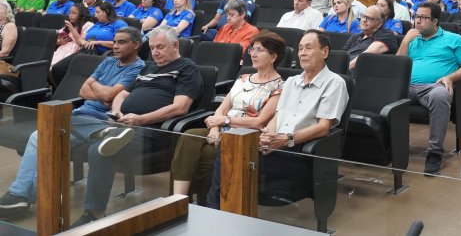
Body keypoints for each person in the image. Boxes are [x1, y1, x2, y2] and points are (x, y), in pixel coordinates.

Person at [0, 27, 146, 219]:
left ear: (136, 45)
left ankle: (20, 194)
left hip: (103, 119)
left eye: (122, 42)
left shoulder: (139, 67)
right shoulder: (109, 61)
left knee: (45, 134)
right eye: (115, 41)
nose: (116, 46)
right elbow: (83, 91)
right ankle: (21, 193)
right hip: (80, 114)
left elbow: (110, 97)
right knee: (40, 136)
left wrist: (96, 86)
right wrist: (101, 92)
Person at [70, 26, 204, 226]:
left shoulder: (186, 68)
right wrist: (116, 112)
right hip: (123, 125)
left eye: (160, 47)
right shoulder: (147, 67)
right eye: (152, 48)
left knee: (98, 150)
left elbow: (180, 107)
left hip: (153, 130)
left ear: (175, 45)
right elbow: (122, 94)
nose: (155, 52)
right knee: (68, 117)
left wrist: (141, 120)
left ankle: (93, 215)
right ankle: (104, 131)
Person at [172, 31, 284, 202]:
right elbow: (222, 108)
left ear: (273, 56)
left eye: (259, 50)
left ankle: (203, 203)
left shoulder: (279, 87)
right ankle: (178, 200)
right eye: (252, 50)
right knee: (188, 137)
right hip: (222, 128)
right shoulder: (243, 78)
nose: (253, 54)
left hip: (243, 136)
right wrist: (215, 129)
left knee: (203, 155)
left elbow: (259, 121)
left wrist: (224, 121)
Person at [246, 30, 348, 208]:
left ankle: (225, 214)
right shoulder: (292, 81)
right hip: (276, 144)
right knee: (229, 155)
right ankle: (222, 213)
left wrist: (286, 140)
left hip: (301, 151)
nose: (302, 52)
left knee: (239, 163)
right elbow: (278, 116)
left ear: (324, 52)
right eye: (300, 48)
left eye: (309, 48)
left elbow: (324, 127)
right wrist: (267, 137)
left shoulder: (335, 83)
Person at [398, 2, 461, 174]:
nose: (417, 21)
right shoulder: (411, 39)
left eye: (423, 18)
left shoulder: (454, 39)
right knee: (384, 92)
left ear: (434, 21)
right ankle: (385, 145)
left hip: (434, 87)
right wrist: (405, 41)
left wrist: (450, 77)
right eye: (416, 17)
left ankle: (434, 152)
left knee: (441, 95)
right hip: (407, 86)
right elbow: (398, 65)